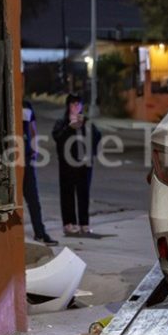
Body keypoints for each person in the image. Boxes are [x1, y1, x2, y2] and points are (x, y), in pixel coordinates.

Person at [51, 94, 101, 236]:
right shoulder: (62, 122)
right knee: (67, 194)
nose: (75, 107)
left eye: (78, 104)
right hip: (67, 165)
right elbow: (57, 137)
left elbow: (97, 136)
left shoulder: (85, 122)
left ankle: (84, 223)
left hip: (84, 164)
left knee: (83, 194)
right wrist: (69, 127)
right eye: (73, 104)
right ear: (68, 106)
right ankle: (69, 223)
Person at [22, 99, 58, 245]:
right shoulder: (6, 100)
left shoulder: (26, 105)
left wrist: (35, 149)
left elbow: (33, 129)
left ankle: (40, 233)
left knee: (33, 199)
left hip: (27, 156)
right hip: (12, 157)